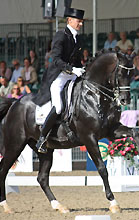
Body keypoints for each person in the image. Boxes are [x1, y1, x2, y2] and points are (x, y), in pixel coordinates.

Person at [35, 7, 85, 153]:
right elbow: (55, 59)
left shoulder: (78, 38)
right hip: (58, 76)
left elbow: (76, 60)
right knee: (58, 107)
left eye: (81, 22)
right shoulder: (60, 35)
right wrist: (71, 69)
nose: (80, 24)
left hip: (72, 74)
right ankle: (42, 138)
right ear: (69, 20)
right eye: (79, 21)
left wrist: (81, 69)